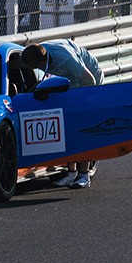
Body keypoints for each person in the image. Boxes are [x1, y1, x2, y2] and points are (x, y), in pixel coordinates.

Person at [10, 43, 95, 189]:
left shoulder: (68, 60)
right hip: (68, 83)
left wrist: (84, 105)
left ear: (42, 63)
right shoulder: (36, 53)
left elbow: (90, 80)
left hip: (87, 81)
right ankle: (71, 173)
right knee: (66, 130)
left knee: (80, 130)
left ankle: (84, 175)